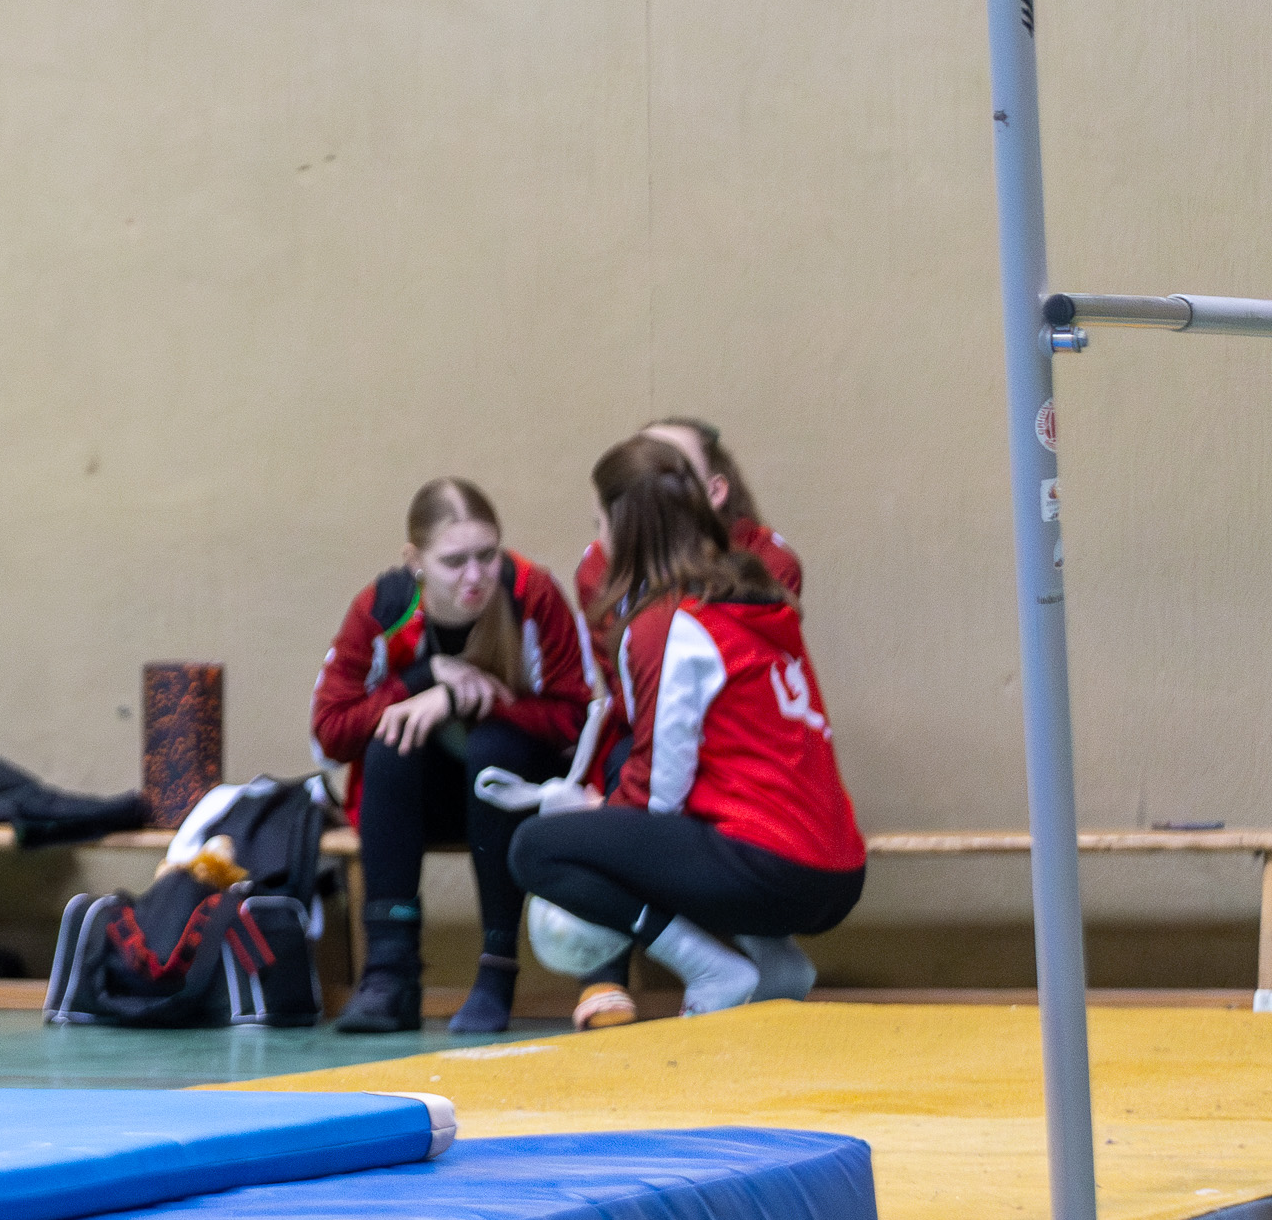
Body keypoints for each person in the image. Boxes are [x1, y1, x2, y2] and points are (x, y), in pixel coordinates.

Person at [511, 443, 863, 1019]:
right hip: (837, 871)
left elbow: (657, 795)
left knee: (535, 848)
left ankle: (710, 967)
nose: (597, 539)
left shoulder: (666, 624)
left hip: (772, 867)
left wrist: (590, 811)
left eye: (600, 522)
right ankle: (776, 963)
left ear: (623, 527)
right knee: (643, 823)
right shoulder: (753, 599)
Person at [309, 476, 592, 1035]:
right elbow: (328, 735)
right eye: (454, 561)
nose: (475, 577)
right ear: (415, 560)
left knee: (492, 748)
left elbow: (577, 724)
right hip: (418, 798)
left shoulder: (531, 594)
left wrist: (476, 700)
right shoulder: (382, 607)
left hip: (518, 795)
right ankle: (389, 971)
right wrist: (420, 679)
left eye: (488, 556)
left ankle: (496, 970)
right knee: (393, 738)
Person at [572, 415, 803, 618]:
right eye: (642, 466)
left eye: (669, 469)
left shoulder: (765, 559)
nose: (648, 485)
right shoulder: (600, 563)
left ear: (714, 491)